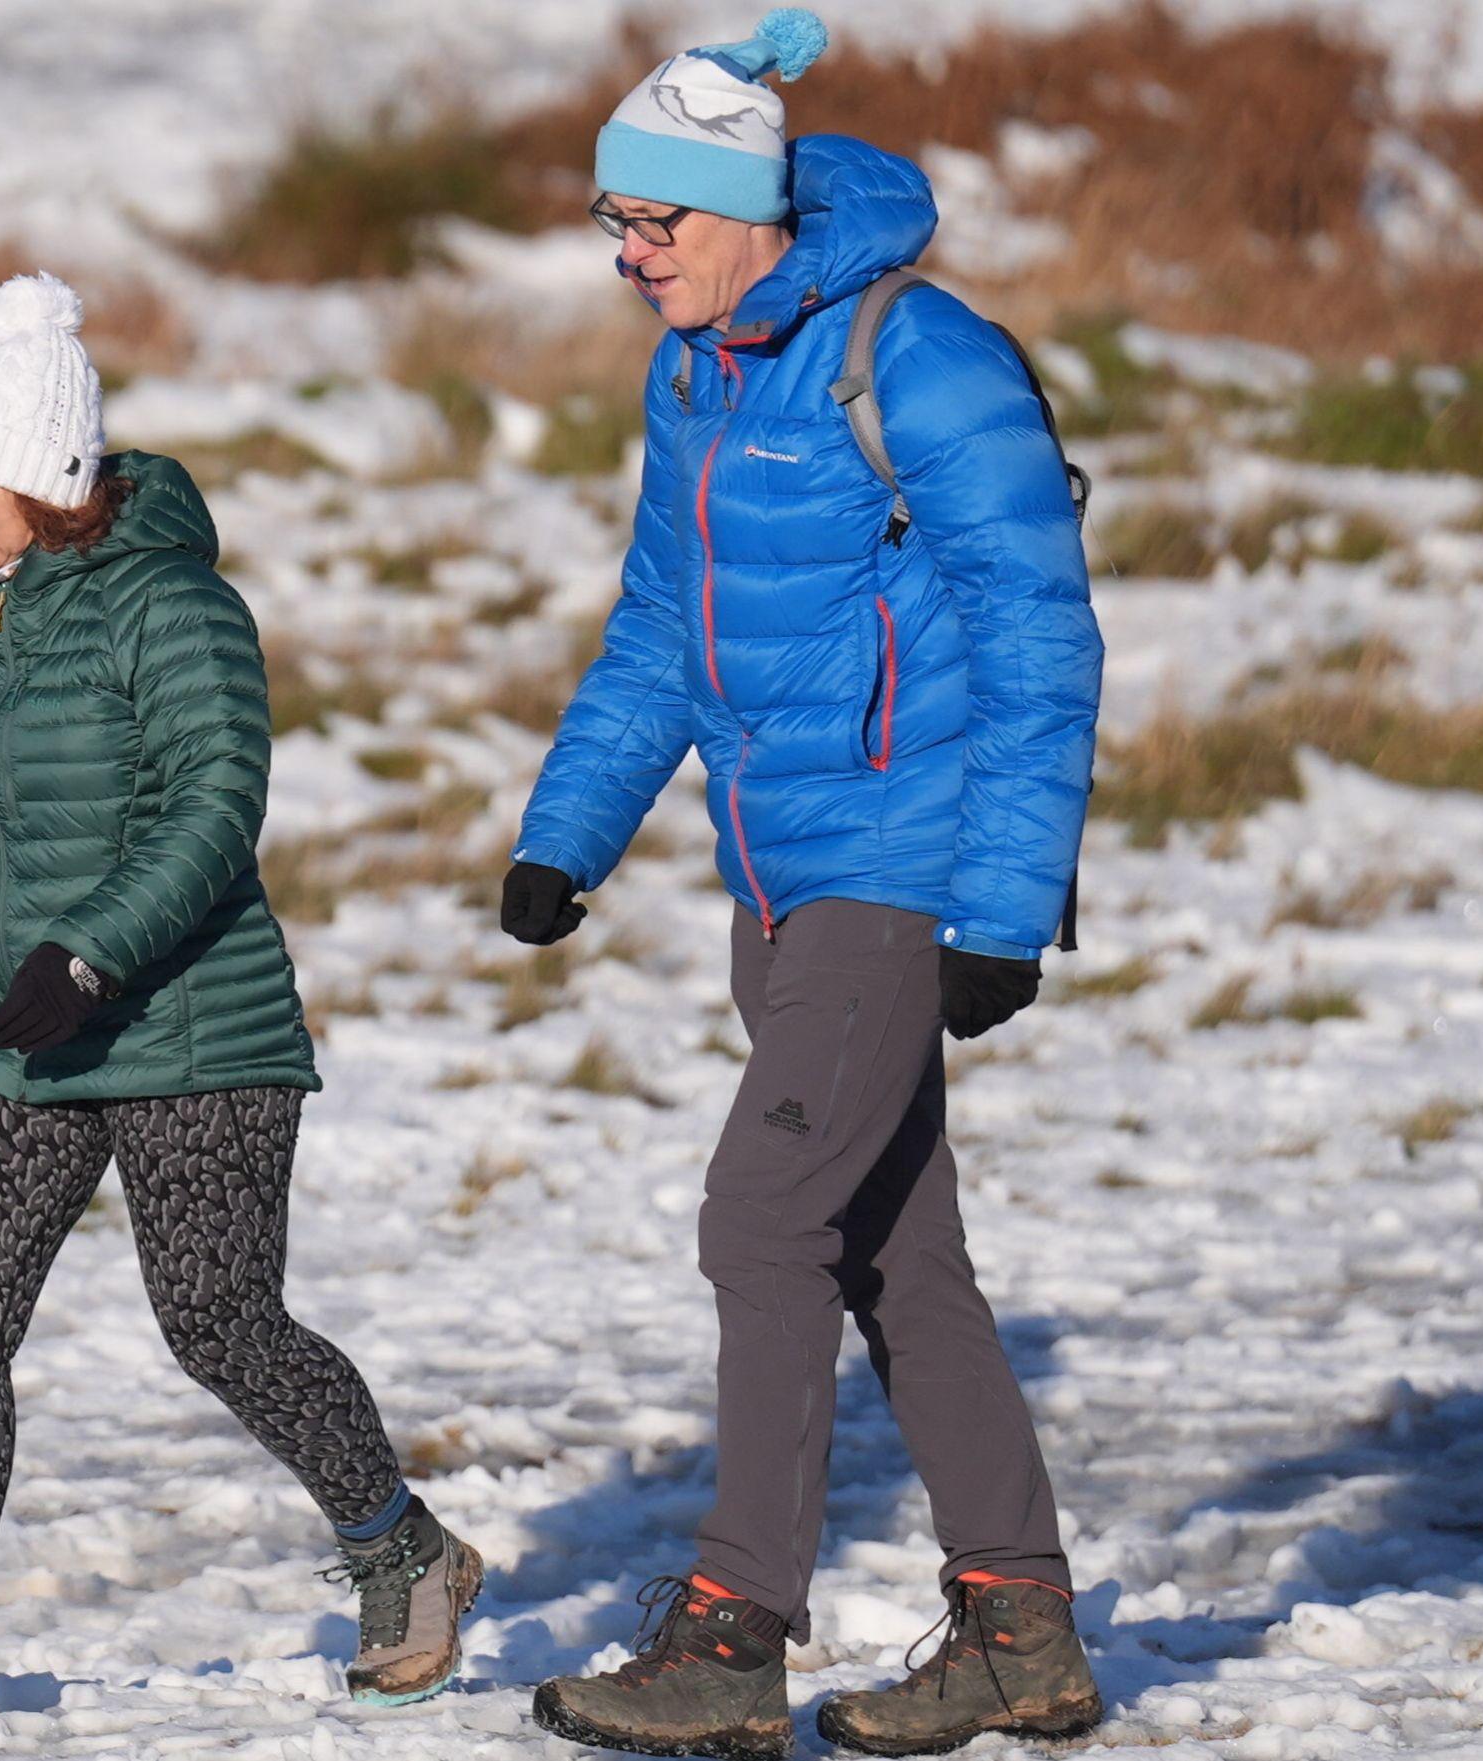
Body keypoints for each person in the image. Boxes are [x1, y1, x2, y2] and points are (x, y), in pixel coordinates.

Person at [499, 11, 1106, 1758]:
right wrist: (571, 829)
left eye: (657, 224)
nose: (631, 257)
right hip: (780, 871)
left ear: (748, 209)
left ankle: (731, 1630)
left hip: (896, 868)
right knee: (900, 1256)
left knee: (761, 1221)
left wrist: (1000, 904)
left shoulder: (912, 355)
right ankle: (1019, 1629)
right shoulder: (696, 371)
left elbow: (1037, 631)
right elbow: (656, 630)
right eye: (614, 225)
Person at [0, 273, 479, 1754]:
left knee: (218, 1319)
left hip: (193, 1028)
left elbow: (219, 802)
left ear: (50, 473)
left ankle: (405, 1547)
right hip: (21, 1035)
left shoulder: (175, 604)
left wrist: (92, 956)